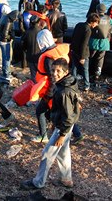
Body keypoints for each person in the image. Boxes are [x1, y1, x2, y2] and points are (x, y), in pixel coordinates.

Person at [21, 58, 80, 190]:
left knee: (47, 153)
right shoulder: (67, 83)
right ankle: (66, 180)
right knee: (63, 153)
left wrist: (62, 134)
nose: (54, 73)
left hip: (63, 127)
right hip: (64, 125)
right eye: (53, 70)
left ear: (66, 72)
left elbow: (68, 116)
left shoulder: (64, 91)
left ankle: (38, 182)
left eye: (58, 71)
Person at [29, 30, 84, 144]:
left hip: (55, 90)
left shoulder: (48, 58)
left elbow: (52, 78)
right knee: (65, 112)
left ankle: (43, 135)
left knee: (41, 111)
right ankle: (77, 134)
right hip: (64, 86)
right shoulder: (59, 51)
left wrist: (48, 96)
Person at [70, 13, 100, 91]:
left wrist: (72, 48)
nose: (96, 25)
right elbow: (84, 44)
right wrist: (82, 57)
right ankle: (87, 85)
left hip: (74, 50)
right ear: (92, 22)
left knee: (74, 68)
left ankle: (72, 83)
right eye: (96, 23)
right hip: (83, 53)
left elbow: (73, 37)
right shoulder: (88, 30)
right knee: (85, 70)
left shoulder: (79, 25)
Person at [89, 4, 112, 80]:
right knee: (100, 58)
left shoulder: (93, 17)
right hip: (105, 43)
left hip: (93, 42)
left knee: (91, 57)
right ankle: (98, 73)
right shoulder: (109, 19)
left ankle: (89, 72)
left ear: (97, 10)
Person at [0, 10, 19, 80]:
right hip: (5, 41)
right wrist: (11, 38)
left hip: (0, 40)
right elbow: (5, 34)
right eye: (16, 18)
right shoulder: (8, 22)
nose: (16, 20)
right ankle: (7, 74)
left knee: (4, 57)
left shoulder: (5, 17)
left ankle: (5, 71)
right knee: (7, 57)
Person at [21, 15, 42, 81]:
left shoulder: (27, 32)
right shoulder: (42, 31)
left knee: (33, 74)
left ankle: (34, 86)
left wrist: (25, 50)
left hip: (30, 56)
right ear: (38, 22)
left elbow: (23, 44)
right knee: (40, 74)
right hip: (39, 56)